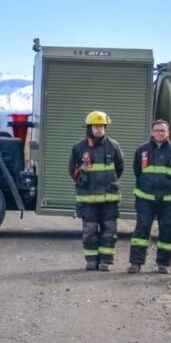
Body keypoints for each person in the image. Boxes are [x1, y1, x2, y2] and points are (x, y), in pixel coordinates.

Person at [128, 120, 171, 274]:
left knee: (167, 230)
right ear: (152, 132)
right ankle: (136, 263)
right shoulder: (142, 150)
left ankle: (163, 264)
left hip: (169, 201)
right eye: (157, 130)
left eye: (163, 130)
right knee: (141, 230)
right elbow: (137, 171)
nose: (160, 133)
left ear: (168, 132)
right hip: (145, 199)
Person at [69, 110, 125, 271]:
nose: (99, 129)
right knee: (89, 231)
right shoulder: (79, 147)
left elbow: (120, 168)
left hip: (109, 200)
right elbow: (71, 170)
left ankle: (106, 261)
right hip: (88, 201)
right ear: (89, 128)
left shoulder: (113, 146)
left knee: (109, 231)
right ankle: (91, 261)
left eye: (102, 126)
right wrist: (82, 181)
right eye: (96, 126)